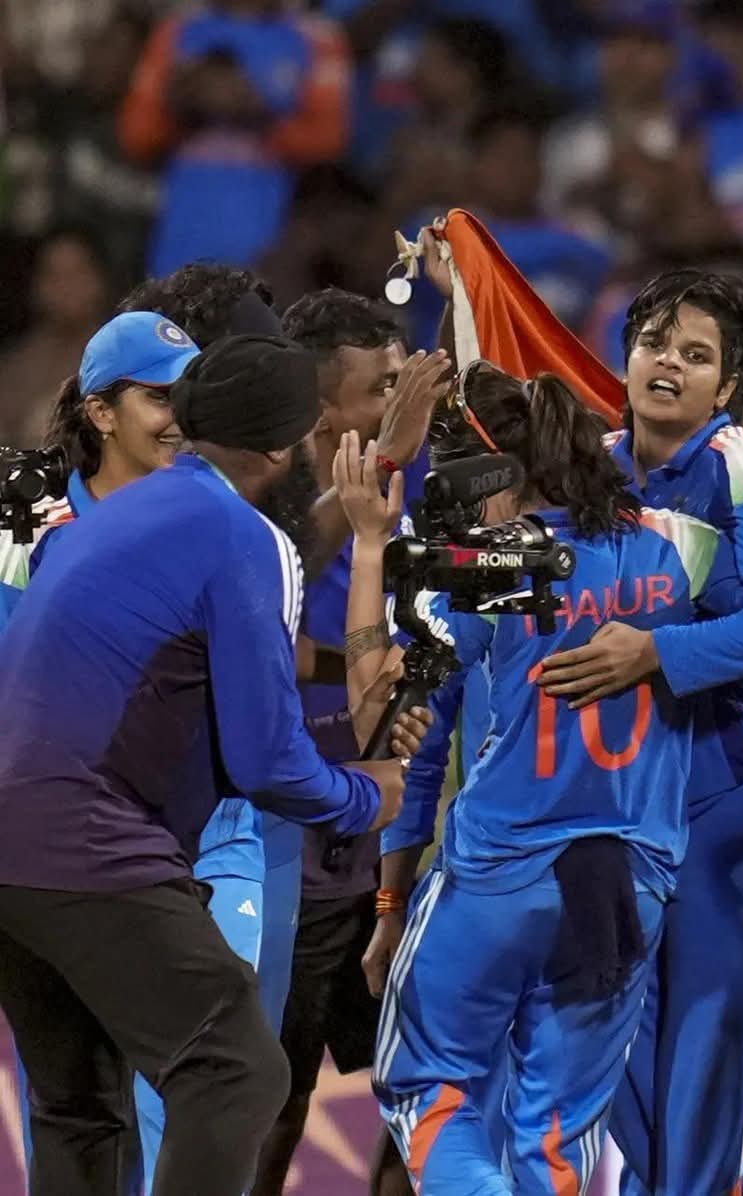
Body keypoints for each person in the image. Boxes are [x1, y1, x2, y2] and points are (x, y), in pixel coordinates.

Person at [0, 334, 407, 1195]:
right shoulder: (245, 536)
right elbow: (269, 761)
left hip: (14, 848)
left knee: (82, 1107)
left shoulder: (111, 516)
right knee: (238, 1072)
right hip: (89, 843)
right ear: (284, 447)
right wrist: (361, 796)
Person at [363, 363, 704, 1191]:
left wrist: (390, 901)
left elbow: (393, 718)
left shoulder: (490, 568)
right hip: (627, 883)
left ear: (489, 479)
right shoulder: (670, 552)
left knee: (424, 1088)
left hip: (501, 873)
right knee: (558, 1132)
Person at [539, 268, 743, 1196]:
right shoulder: (589, 470)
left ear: (728, 385)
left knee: (708, 1072)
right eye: (654, 344)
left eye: (696, 354)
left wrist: (657, 654)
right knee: (620, 1051)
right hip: (630, 801)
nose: (668, 363)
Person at [256, 288, 440, 1196]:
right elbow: (278, 605)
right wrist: (360, 675)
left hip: (390, 849)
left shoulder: (404, 497)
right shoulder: (262, 500)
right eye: (382, 390)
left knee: (421, 1091)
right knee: (273, 1096)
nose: (403, 406)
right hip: (290, 857)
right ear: (322, 411)